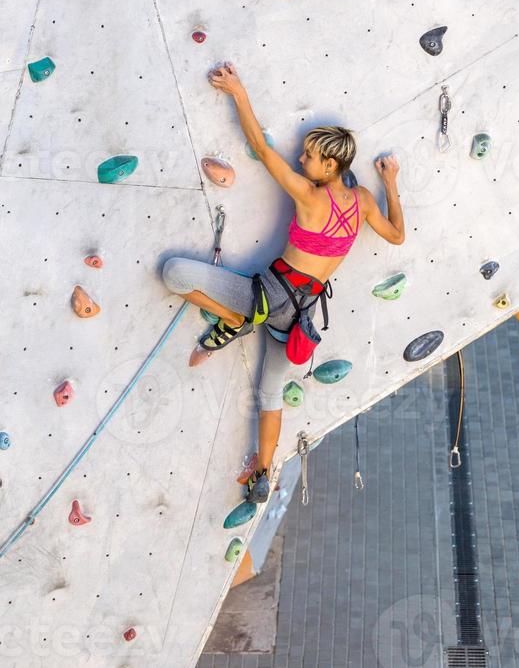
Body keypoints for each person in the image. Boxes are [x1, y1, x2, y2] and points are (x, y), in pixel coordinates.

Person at [162, 63, 405, 504]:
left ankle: (233, 317)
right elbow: (397, 235)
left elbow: (258, 145)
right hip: (301, 316)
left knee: (173, 273)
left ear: (329, 164)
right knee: (269, 390)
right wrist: (390, 181)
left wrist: (237, 90)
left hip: (266, 296)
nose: (300, 159)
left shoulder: (309, 195)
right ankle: (262, 472)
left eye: (309, 156)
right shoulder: (365, 201)